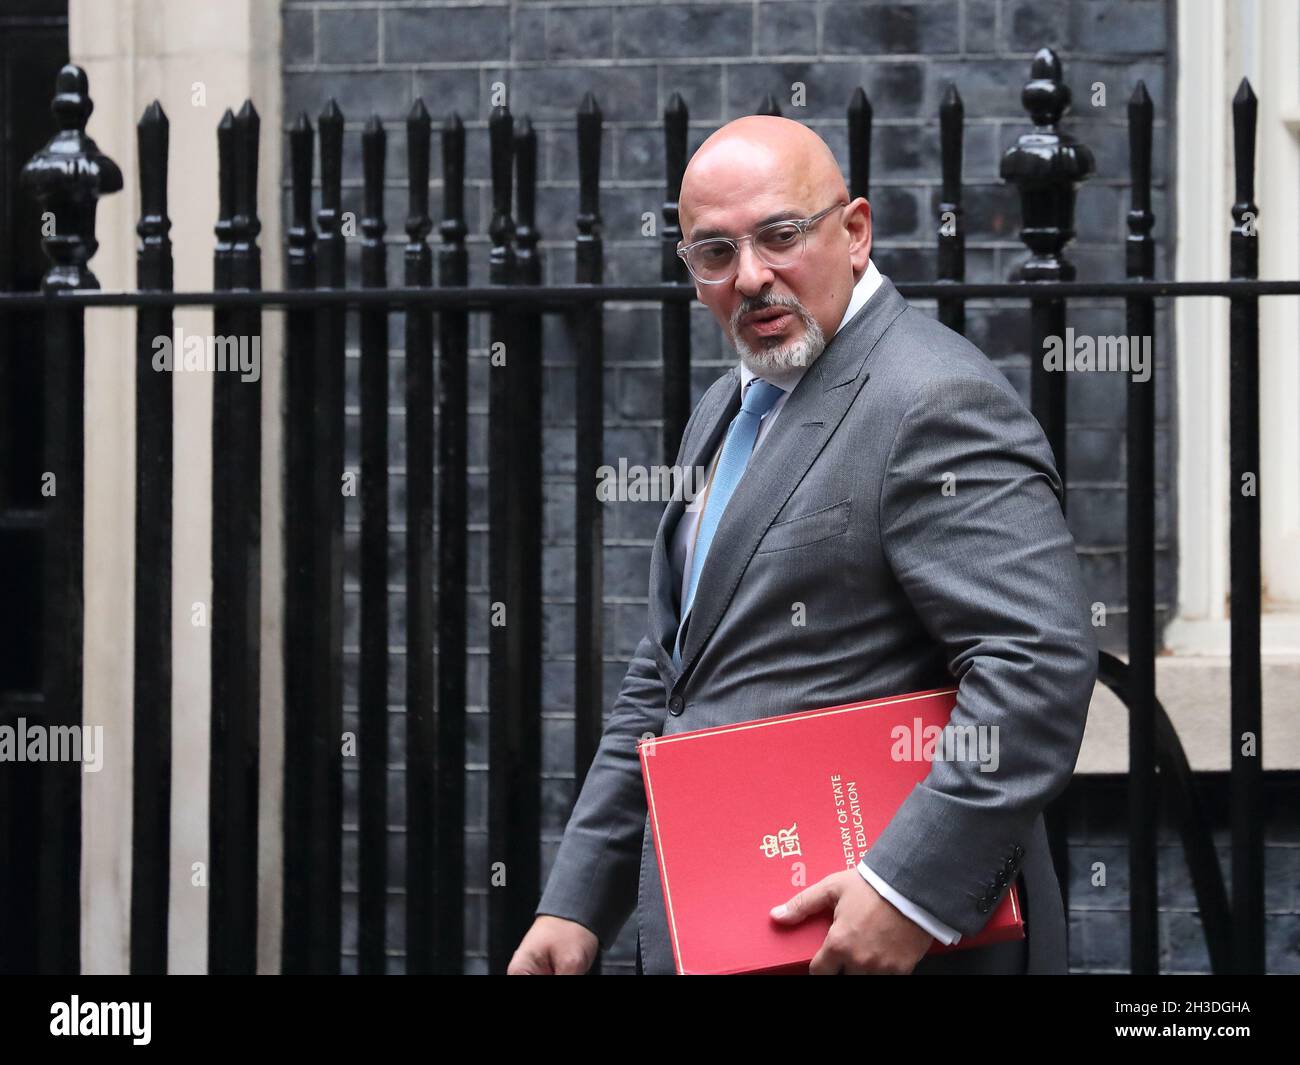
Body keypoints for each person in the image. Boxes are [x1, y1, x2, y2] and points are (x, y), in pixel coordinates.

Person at [507, 115, 1097, 975]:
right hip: (741, 933)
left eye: (780, 236)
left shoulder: (933, 399)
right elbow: (671, 672)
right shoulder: (726, 408)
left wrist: (907, 891)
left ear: (854, 232)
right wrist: (575, 900)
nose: (750, 277)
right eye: (714, 254)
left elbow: (1036, 664)